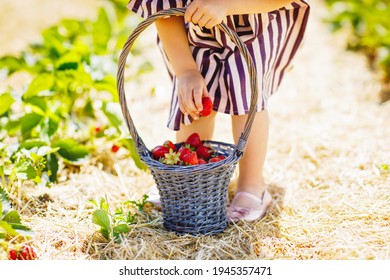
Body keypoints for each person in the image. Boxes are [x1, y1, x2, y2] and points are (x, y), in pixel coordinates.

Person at [127, 0, 310, 222]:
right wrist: (186, 70)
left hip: (256, 18)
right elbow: (162, 9)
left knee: (246, 92)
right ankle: (189, 180)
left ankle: (252, 186)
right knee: (194, 99)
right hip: (190, 30)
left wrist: (226, 5)